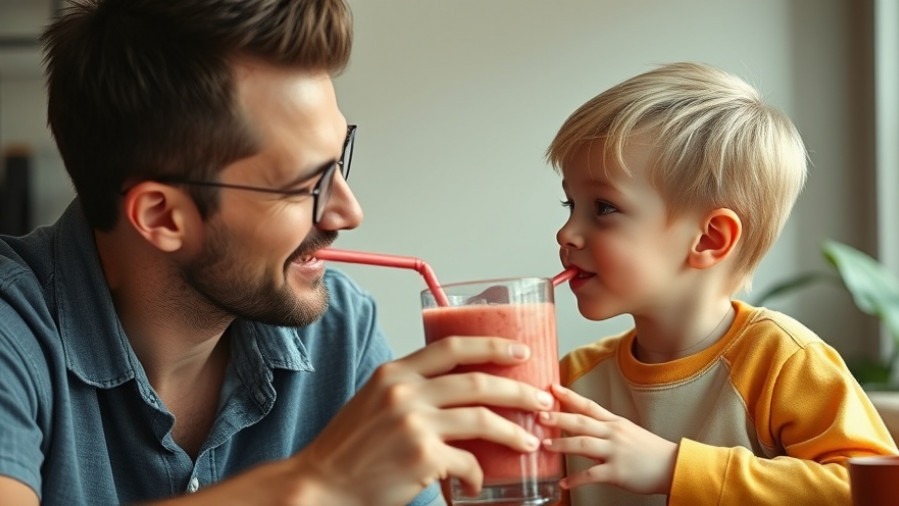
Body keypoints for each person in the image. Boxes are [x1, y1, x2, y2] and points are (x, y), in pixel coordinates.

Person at [0, 1, 556, 504]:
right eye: (304, 186)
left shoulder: (339, 327)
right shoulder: (13, 330)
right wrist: (319, 482)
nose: (347, 212)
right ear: (162, 216)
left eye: (340, 160)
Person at [535, 62, 899, 505]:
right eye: (570, 203)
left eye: (604, 208)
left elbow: (870, 492)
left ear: (709, 239)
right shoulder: (572, 379)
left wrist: (674, 469)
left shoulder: (782, 363)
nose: (566, 233)